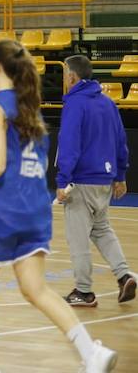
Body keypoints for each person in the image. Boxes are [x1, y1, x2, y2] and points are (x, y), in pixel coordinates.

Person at [0, 39, 117, 373]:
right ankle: (90, 353)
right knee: (36, 289)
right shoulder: (31, 107)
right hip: (35, 210)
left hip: (0, 210)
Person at [56, 54, 135, 307]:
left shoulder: (75, 104)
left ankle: (84, 291)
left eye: (65, 74)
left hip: (81, 181)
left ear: (72, 76)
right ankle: (124, 276)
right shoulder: (107, 102)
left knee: (78, 238)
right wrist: (120, 175)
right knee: (101, 230)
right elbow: (120, 141)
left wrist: (62, 180)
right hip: (104, 179)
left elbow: (69, 145)